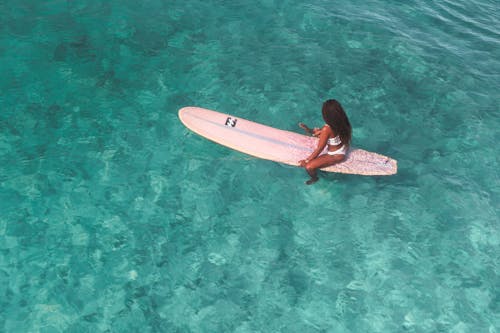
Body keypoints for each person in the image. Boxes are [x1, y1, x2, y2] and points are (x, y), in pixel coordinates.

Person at [298, 99, 352, 185]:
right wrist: (309, 130)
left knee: (309, 167)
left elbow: (320, 148)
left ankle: (315, 178)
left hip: (336, 155)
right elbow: (327, 134)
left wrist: (307, 161)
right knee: (318, 132)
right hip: (343, 147)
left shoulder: (326, 129)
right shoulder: (343, 121)